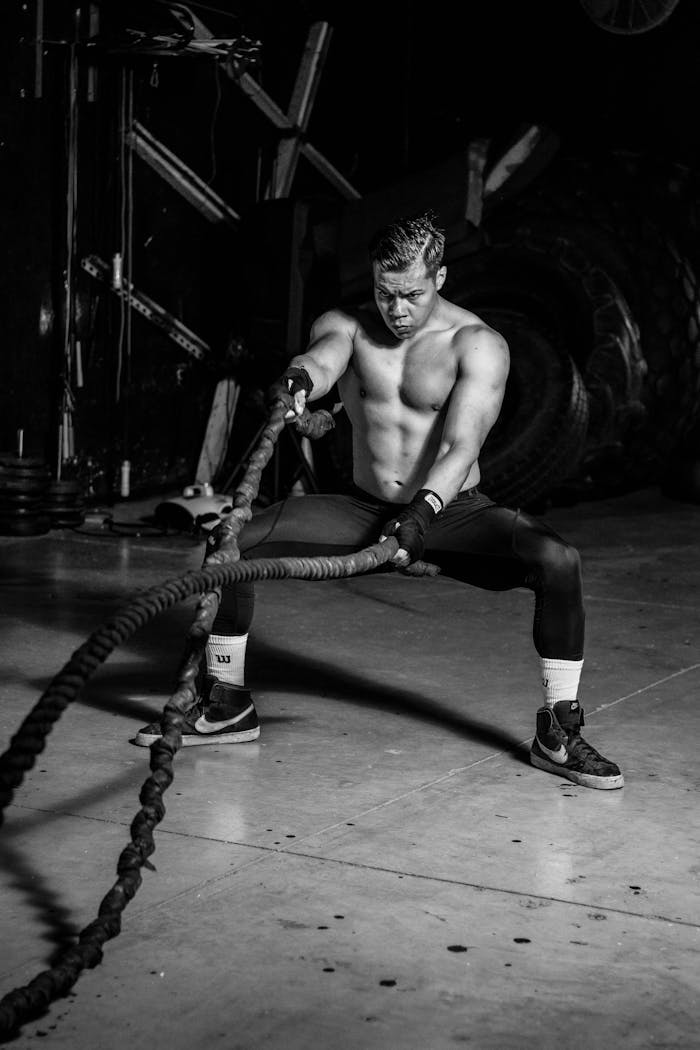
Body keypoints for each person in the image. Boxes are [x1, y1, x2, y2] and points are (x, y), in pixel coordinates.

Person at [134, 211, 623, 791]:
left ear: (440, 276)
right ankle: (227, 704)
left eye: (411, 294)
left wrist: (421, 515)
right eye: (384, 293)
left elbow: (461, 445)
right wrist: (295, 383)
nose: (396, 310)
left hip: (451, 511)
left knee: (559, 561)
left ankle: (559, 730)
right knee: (231, 541)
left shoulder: (479, 344)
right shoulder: (348, 324)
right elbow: (322, 359)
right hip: (364, 508)